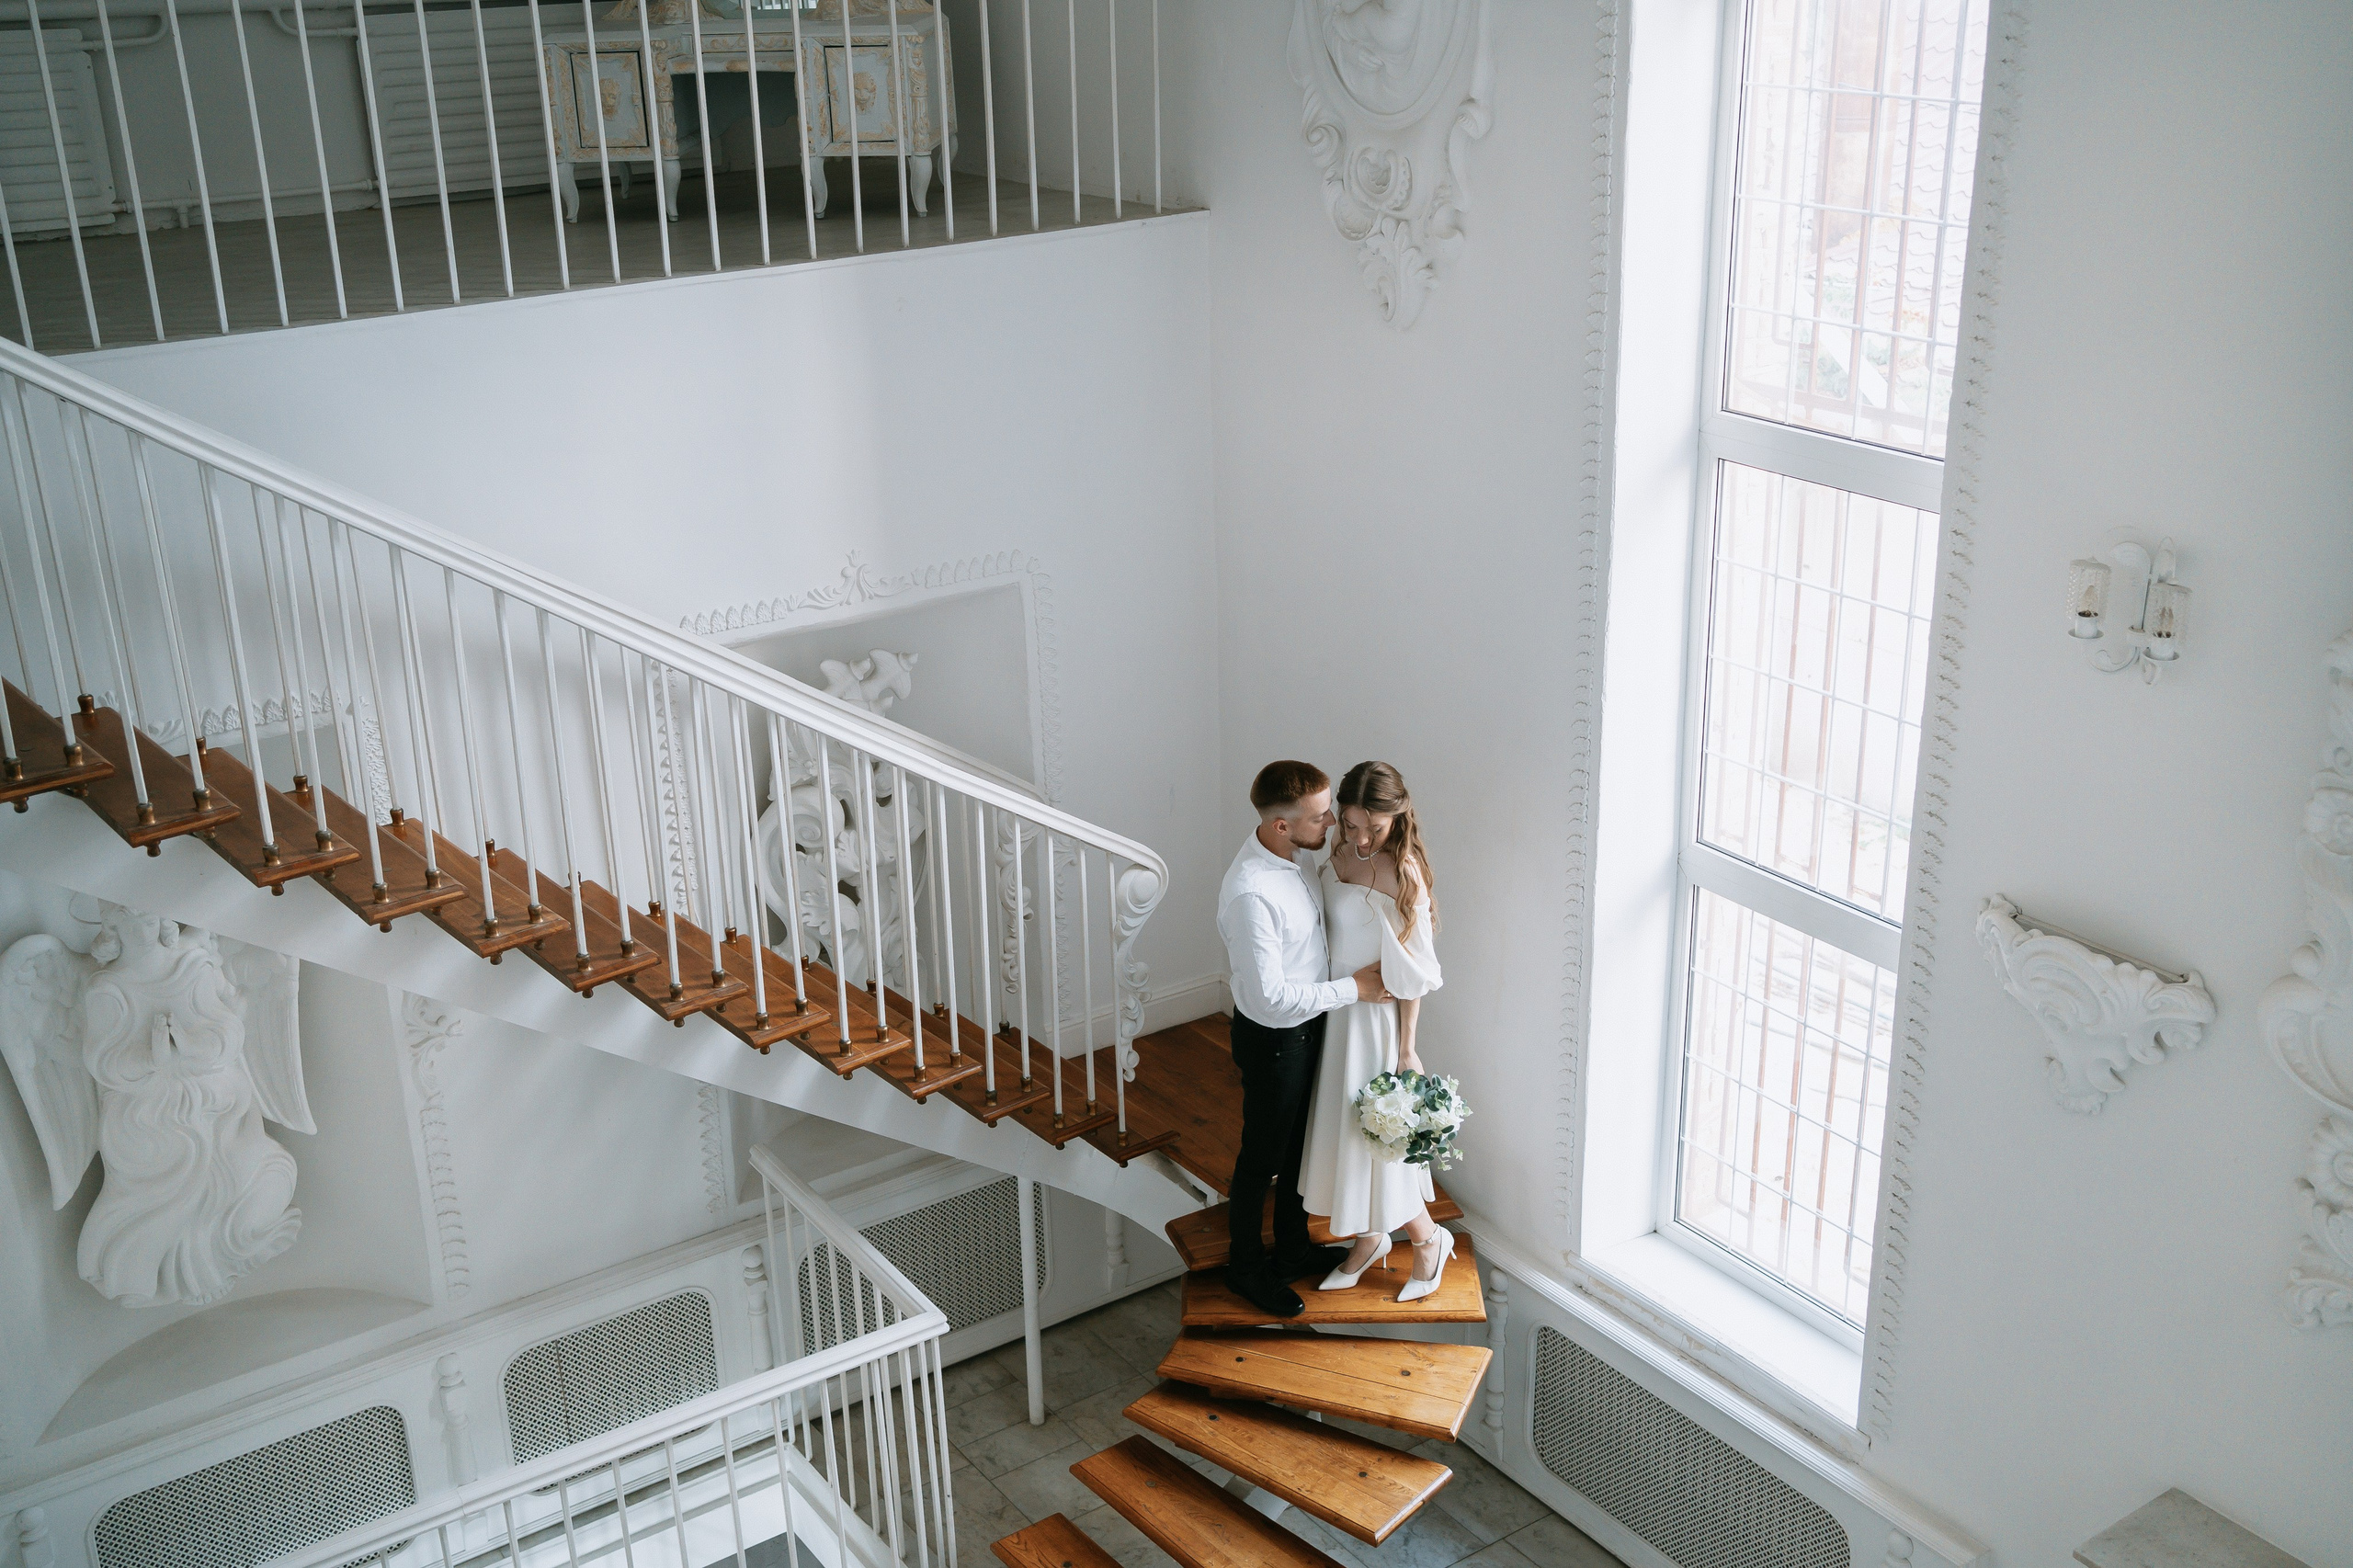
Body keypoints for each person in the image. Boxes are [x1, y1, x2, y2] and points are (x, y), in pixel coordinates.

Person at [1215, 760, 1392, 1319]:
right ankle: (1245, 1267)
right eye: (1320, 817)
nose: (1333, 825)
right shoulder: (1250, 894)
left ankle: (1291, 1250)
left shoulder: (1300, 857)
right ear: (1281, 826)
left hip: (1310, 1027)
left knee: (1297, 1148)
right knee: (1262, 1159)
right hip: (1274, 1042)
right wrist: (1354, 990)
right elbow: (1270, 999)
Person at [1300, 760, 1454, 1302]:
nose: (1362, 839)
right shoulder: (1336, 852)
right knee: (1342, 1135)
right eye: (1352, 824)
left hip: (1375, 1026)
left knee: (1378, 1142)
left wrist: (1407, 1048)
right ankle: (1370, 1240)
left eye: (1376, 828)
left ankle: (1429, 1240)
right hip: (1334, 1012)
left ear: (1398, 817)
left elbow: (1412, 975)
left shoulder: (1402, 870)